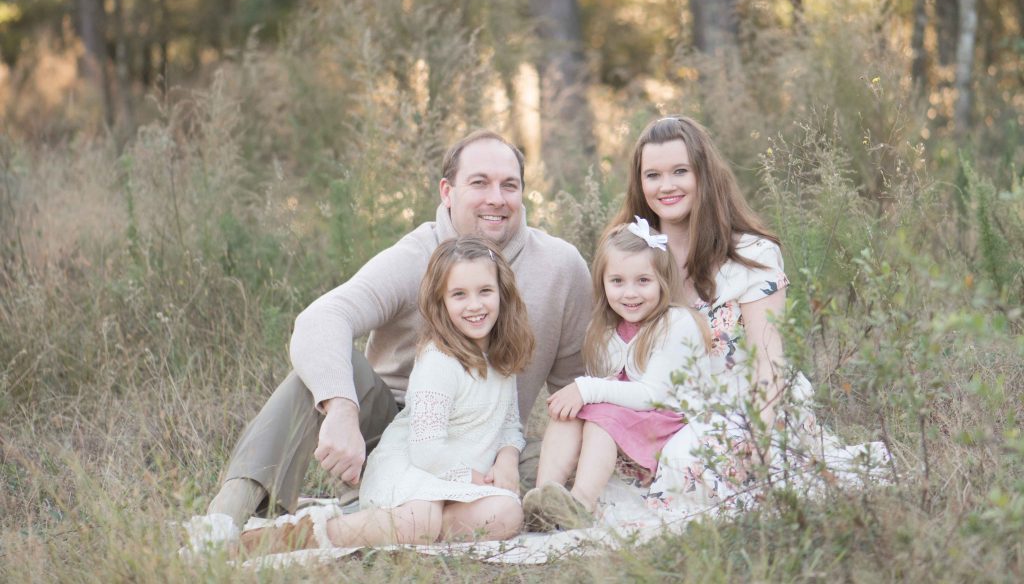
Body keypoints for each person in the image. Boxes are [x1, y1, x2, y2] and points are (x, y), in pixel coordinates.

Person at [204, 130, 592, 534]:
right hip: (393, 435)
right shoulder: (417, 256)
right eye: (479, 183)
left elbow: (575, 387)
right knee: (323, 375)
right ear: (447, 191)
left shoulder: (561, 267)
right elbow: (323, 318)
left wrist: (521, 458)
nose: (496, 198)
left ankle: (378, 523)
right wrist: (340, 407)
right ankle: (227, 516)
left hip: (487, 440)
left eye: (509, 185)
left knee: (557, 461)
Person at [614, 116, 886, 512]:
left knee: (689, 461)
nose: (666, 186)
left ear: (704, 175)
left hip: (747, 406)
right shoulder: (633, 257)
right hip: (665, 406)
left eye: (679, 171)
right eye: (652, 175)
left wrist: (758, 437)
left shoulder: (751, 257)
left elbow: (768, 364)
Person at [236, 237, 532, 553]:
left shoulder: (502, 358)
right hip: (412, 470)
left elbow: (510, 424)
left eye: (485, 291)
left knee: (507, 513)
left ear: (503, 294)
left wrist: (507, 460)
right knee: (422, 518)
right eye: (459, 295)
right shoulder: (440, 360)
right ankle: (298, 536)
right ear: (441, 302)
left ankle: (409, 529)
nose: (475, 305)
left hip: (458, 486)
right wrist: (473, 477)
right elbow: (426, 452)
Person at [521, 218, 711, 531]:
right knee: (569, 412)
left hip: (667, 420)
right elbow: (606, 386)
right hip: (627, 419)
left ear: (663, 280)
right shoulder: (606, 330)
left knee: (599, 413)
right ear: (603, 283)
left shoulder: (676, 323)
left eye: (643, 281)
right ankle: (544, 499)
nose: (630, 293)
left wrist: (586, 388)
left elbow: (654, 395)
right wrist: (583, 395)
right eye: (618, 281)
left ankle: (580, 504)